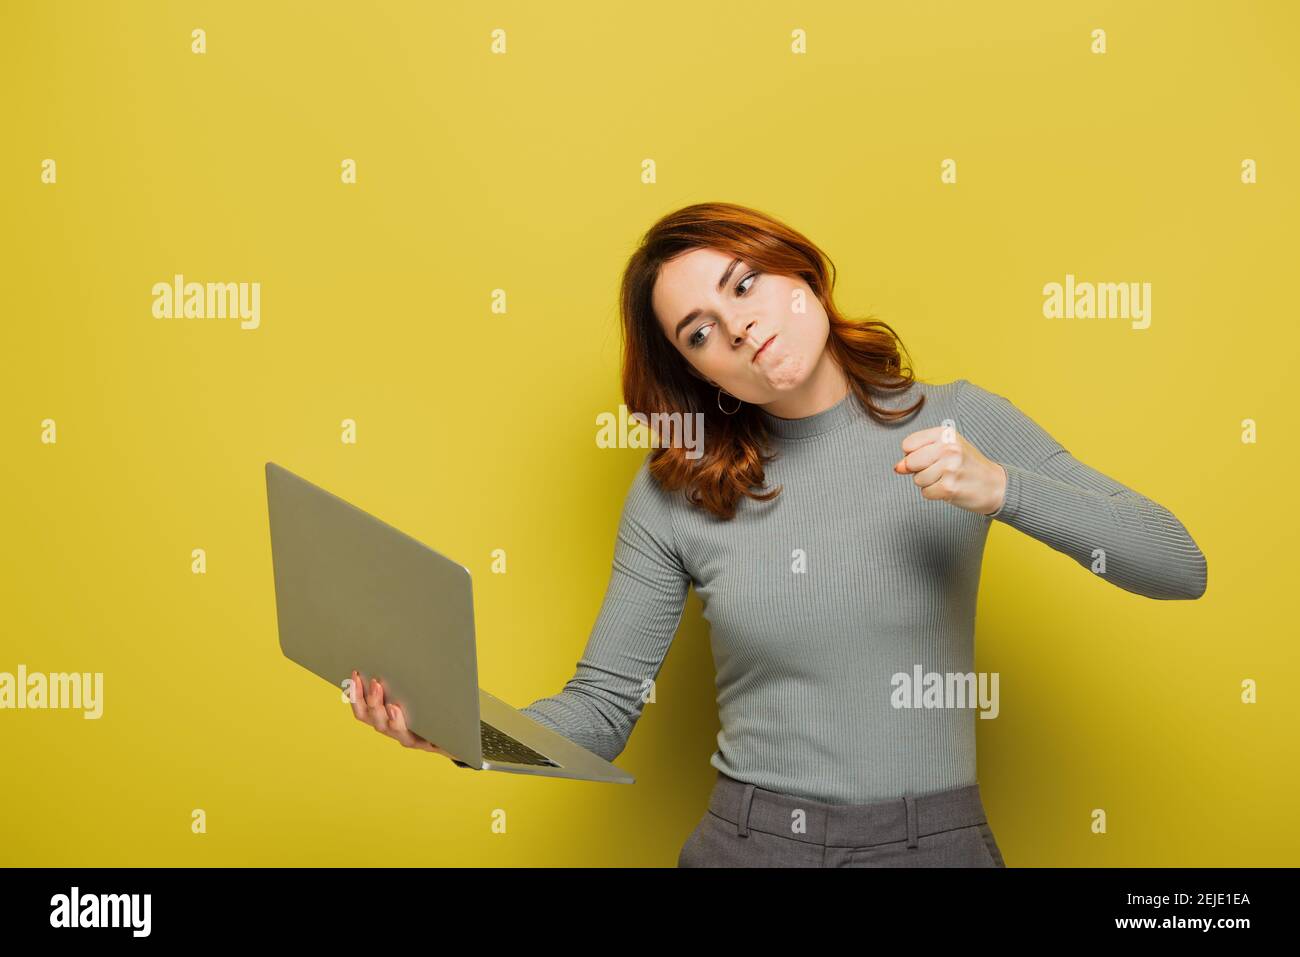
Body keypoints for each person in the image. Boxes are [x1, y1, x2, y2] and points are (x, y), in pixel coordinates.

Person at [349, 201, 1208, 867]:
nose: (736, 327)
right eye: (698, 332)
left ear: (797, 270)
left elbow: (1178, 562)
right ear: (698, 370)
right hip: (750, 844)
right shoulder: (675, 493)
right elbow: (602, 712)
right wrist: (461, 732)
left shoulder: (959, 421)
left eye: (742, 283)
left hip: (931, 843)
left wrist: (1001, 487)